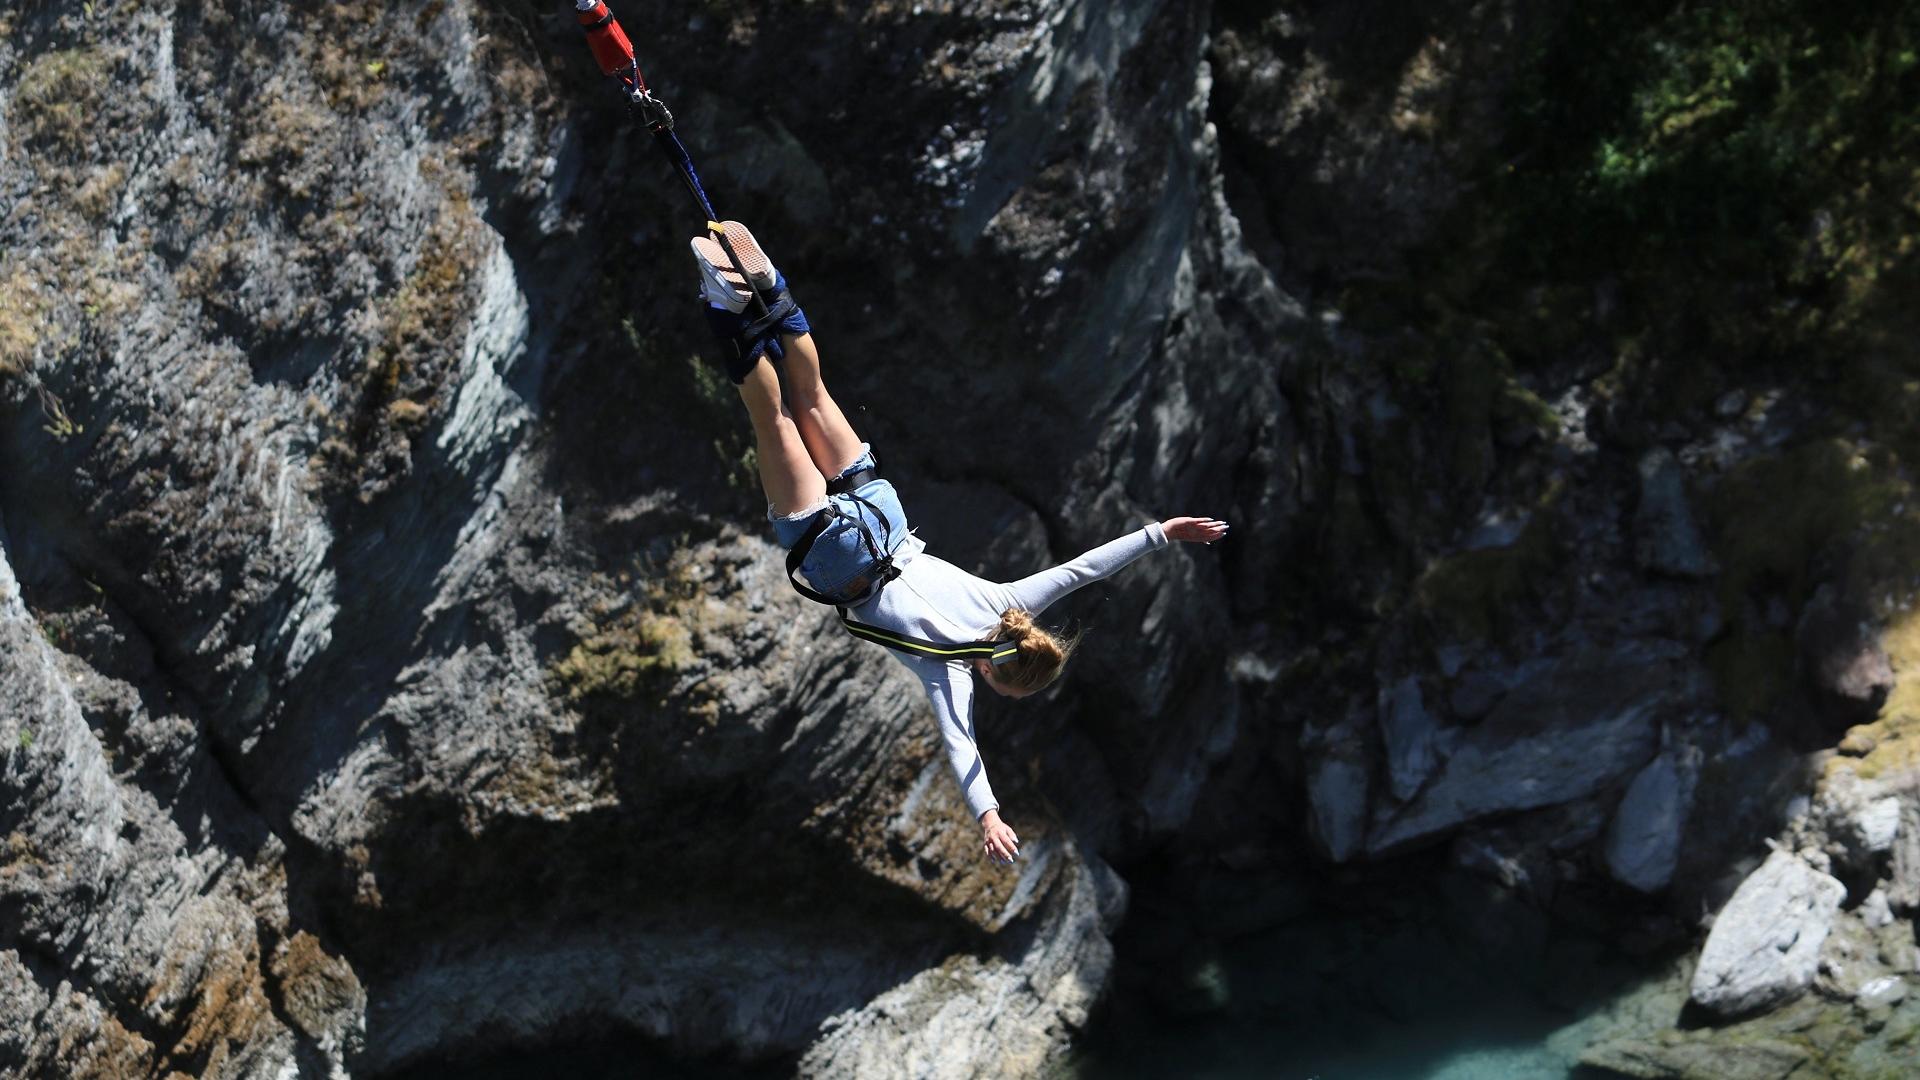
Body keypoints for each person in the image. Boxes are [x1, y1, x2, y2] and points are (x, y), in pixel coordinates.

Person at [690, 222, 1229, 866]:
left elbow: (1086, 570)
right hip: (838, 553)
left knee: (810, 395)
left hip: (883, 515)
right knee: (771, 416)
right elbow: (961, 748)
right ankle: (727, 309)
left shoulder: (1009, 601)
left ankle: (775, 297)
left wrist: (1162, 532)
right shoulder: (948, 671)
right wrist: (989, 815)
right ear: (1000, 676)